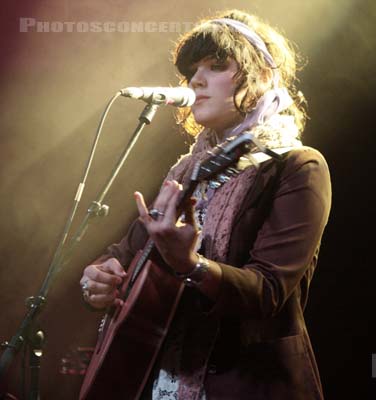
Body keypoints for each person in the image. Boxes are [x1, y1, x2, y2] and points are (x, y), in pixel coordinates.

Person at [79, 9, 331, 400]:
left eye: (215, 66)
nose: (195, 80)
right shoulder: (184, 172)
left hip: (249, 385)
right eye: (190, 71)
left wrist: (190, 266)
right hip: (160, 380)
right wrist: (97, 277)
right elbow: (124, 253)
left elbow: (266, 292)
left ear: (262, 77)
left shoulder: (298, 166)